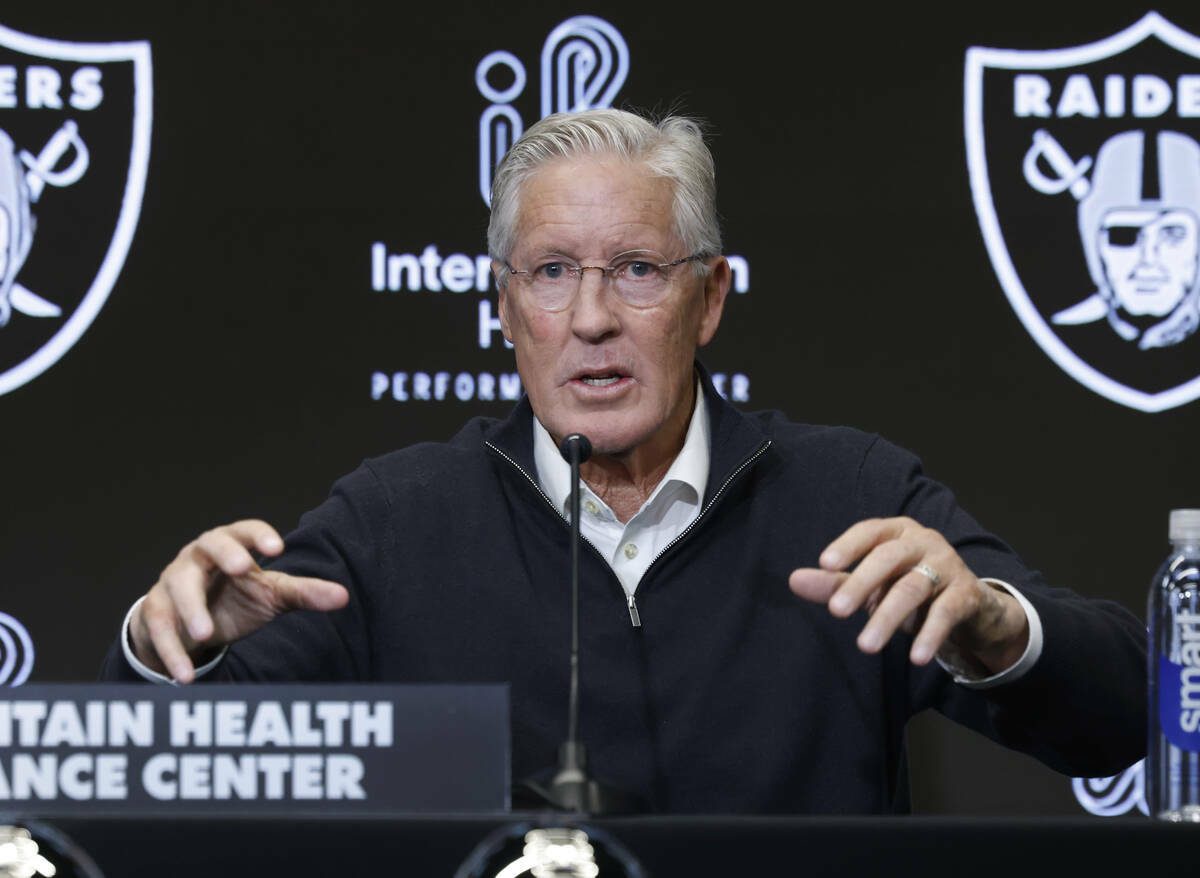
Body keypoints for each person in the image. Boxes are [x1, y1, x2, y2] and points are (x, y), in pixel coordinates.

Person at [103, 108, 1146, 813]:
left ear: (712, 297)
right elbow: (160, 777)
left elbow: (1121, 719)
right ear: (505, 306)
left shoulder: (852, 496)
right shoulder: (393, 521)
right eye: (552, 272)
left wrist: (1000, 624)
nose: (592, 317)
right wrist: (165, 654)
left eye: (639, 269)